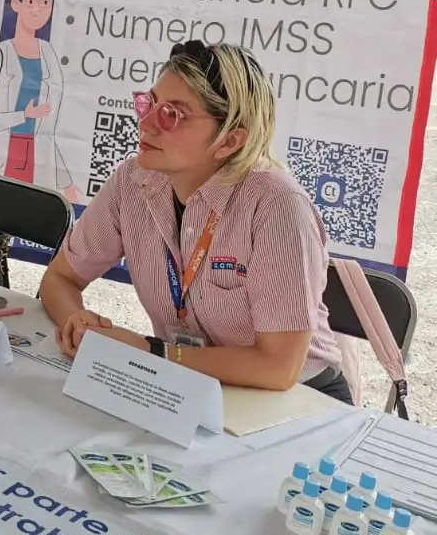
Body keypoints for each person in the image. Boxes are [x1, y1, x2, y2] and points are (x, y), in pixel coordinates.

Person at [41, 40, 348, 399]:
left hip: (296, 398)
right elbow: (60, 278)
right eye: (150, 103)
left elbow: (278, 368)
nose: (147, 122)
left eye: (174, 114)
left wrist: (150, 352)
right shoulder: (134, 181)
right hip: (190, 383)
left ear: (230, 140)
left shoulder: (277, 205)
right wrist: (77, 323)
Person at [0, 0, 82, 202]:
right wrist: (22, 115)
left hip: (38, 160)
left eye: (46, 2)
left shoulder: (49, 55)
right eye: (31, 0)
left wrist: (66, 183)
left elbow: (51, 131)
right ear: (15, 3)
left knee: (29, 224)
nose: (38, 9)